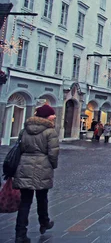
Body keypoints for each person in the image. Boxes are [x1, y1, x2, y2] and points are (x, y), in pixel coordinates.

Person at [13, 104, 59, 243]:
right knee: (42, 197)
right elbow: (53, 152)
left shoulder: (24, 130)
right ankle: (44, 222)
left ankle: (20, 234)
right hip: (42, 166)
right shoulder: (50, 131)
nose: (53, 118)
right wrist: (53, 165)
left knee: (25, 202)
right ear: (46, 117)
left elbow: (19, 147)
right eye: (52, 116)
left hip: (24, 165)